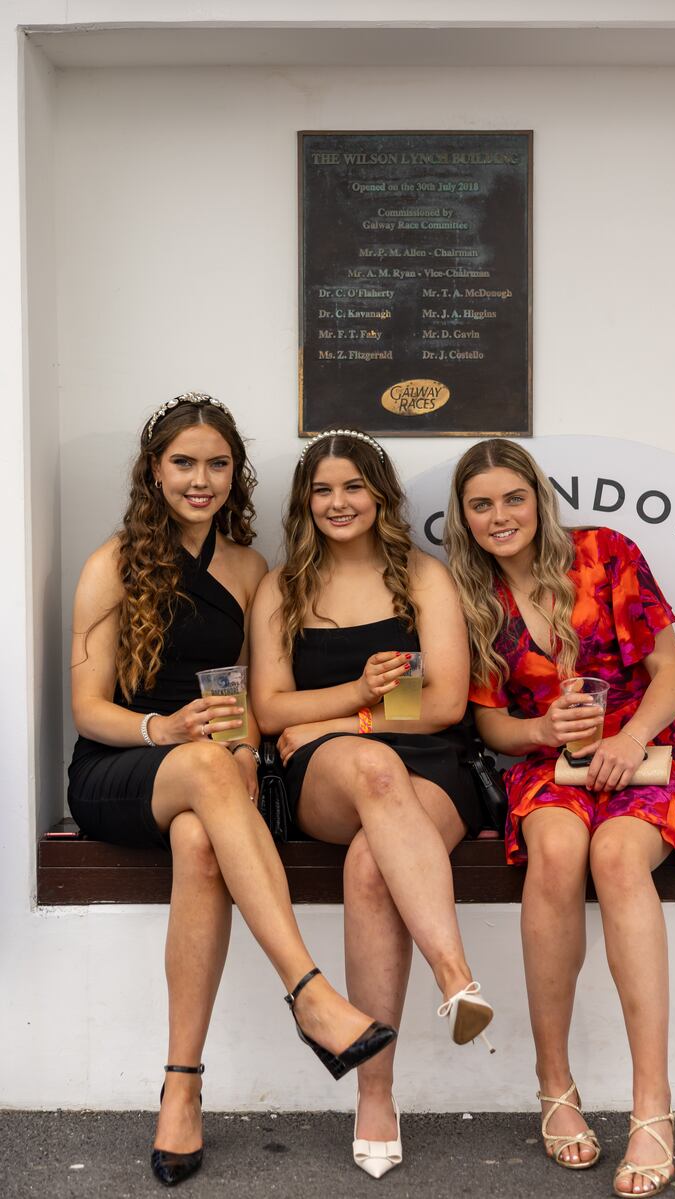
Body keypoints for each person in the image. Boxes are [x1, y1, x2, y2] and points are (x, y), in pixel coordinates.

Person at [67, 396, 396, 1189]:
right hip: (121, 766)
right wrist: (165, 729)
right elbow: (88, 709)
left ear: (235, 476)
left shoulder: (249, 570)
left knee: (200, 841)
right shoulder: (112, 563)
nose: (201, 479)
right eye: (184, 462)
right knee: (207, 773)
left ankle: (181, 1086)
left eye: (217, 464)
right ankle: (309, 991)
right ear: (154, 470)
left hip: (209, 773)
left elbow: (245, 699)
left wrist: (246, 748)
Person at [444, 438, 675, 1197]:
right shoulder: (469, 596)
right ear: (463, 516)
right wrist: (540, 729)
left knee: (617, 857)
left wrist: (630, 736)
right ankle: (554, 1084)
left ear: (539, 498)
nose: (500, 516)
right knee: (558, 850)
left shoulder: (605, 553)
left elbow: (671, 672)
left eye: (513, 498)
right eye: (482, 504)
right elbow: (490, 724)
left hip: (646, 751)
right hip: (550, 763)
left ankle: (651, 1103)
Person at [250, 428, 494, 1180]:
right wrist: (355, 700)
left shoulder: (421, 576)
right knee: (374, 769)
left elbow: (444, 704)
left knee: (369, 865)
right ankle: (455, 975)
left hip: (428, 763)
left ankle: (375, 1095)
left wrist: (337, 719)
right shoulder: (282, 587)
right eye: (322, 490)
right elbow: (269, 708)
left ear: (380, 494)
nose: (338, 502)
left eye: (353, 486)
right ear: (304, 502)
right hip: (327, 772)